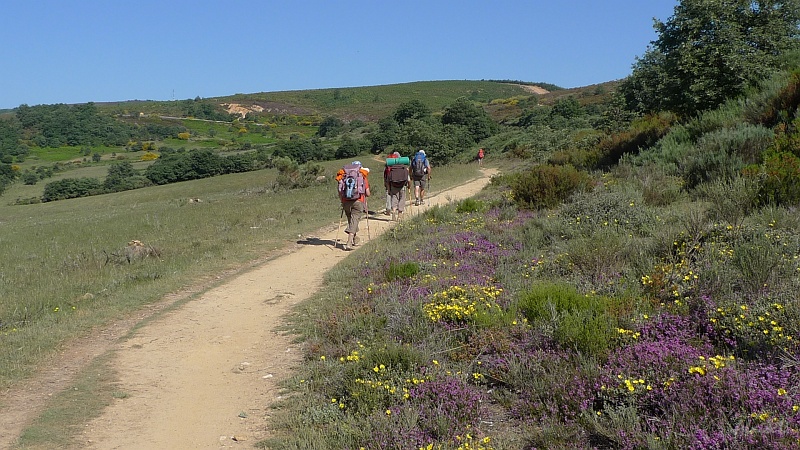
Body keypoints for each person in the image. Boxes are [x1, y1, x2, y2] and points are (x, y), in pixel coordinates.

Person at [335, 161, 371, 250]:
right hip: (358, 201)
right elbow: (368, 193)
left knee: (351, 220)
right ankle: (349, 242)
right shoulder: (362, 176)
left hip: (346, 201)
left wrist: (342, 201)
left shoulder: (343, 176)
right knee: (354, 220)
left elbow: (340, 191)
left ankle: (355, 238)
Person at [384, 154, 409, 221]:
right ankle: (400, 214)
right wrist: (409, 185)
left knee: (394, 198)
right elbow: (408, 179)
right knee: (402, 199)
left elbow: (388, 180)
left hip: (393, 186)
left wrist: (389, 189)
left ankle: (394, 212)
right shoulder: (404, 167)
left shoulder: (391, 168)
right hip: (402, 186)